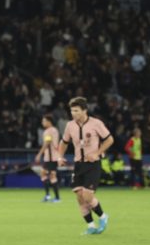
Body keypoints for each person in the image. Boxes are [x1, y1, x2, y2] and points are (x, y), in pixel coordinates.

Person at [57, 97, 113, 234]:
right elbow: (64, 142)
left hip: (93, 164)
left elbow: (110, 139)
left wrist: (98, 153)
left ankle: (103, 216)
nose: (73, 113)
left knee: (87, 196)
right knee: (80, 197)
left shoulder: (96, 123)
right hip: (78, 164)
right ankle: (91, 226)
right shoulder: (70, 125)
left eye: (76, 110)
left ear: (84, 111)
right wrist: (60, 156)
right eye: (72, 111)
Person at [34, 114, 61, 202]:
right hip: (52, 157)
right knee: (44, 174)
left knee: (51, 176)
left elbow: (47, 143)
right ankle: (48, 195)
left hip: (51, 157)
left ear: (49, 121)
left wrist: (39, 154)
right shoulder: (55, 130)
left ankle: (56, 198)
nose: (42, 122)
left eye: (44, 121)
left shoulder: (48, 131)